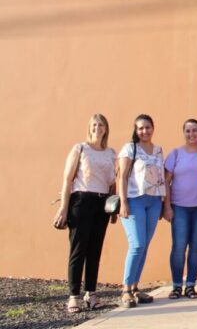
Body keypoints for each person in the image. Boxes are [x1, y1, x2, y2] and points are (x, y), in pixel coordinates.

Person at [54, 114, 116, 313]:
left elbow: (112, 182)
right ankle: (73, 296)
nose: (98, 128)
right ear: (89, 128)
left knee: (95, 250)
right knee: (78, 250)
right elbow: (67, 180)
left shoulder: (111, 152)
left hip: (102, 203)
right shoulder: (80, 148)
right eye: (94, 125)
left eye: (101, 125)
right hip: (81, 201)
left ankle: (91, 293)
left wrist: (112, 207)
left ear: (106, 129)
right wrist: (64, 208)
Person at [117, 114, 166, 308]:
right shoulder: (130, 148)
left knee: (145, 245)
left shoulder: (159, 150)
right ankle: (126, 289)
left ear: (153, 128)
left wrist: (163, 202)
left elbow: (162, 177)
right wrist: (123, 203)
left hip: (153, 201)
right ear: (135, 130)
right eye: (140, 128)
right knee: (136, 244)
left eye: (147, 127)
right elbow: (122, 177)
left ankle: (136, 287)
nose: (144, 131)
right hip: (134, 200)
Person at [163, 119, 197, 300]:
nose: (191, 134)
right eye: (188, 131)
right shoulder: (175, 154)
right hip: (179, 207)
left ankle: (191, 285)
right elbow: (166, 182)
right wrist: (167, 206)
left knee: (196, 247)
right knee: (178, 246)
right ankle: (176, 286)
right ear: (184, 133)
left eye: (194, 130)